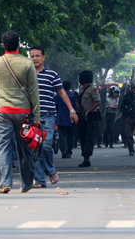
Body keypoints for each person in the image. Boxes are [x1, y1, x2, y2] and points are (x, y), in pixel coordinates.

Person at [0, 30, 40, 193]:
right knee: (25, 148)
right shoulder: (27, 63)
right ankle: (26, 184)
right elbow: (33, 91)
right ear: (18, 44)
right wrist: (37, 116)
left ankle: (5, 182)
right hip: (23, 111)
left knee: (3, 146)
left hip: (2, 110)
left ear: (3, 45)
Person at [29, 45, 77, 188]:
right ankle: (39, 180)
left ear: (43, 57)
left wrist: (72, 111)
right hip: (30, 116)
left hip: (48, 115)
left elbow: (62, 93)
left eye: (37, 56)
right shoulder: (26, 75)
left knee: (46, 145)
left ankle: (50, 171)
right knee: (34, 147)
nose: (35, 58)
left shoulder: (52, 75)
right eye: (32, 56)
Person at [76, 71, 101, 167]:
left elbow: (97, 102)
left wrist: (88, 111)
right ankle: (84, 156)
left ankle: (87, 157)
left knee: (89, 136)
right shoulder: (81, 89)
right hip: (82, 115)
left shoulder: (92, 89)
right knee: (82, 136)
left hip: (91, 116)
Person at [56, 81, 77, 158]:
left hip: (61, 118)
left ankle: (63, 151)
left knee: (62, 136)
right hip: (70, 118)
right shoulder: (72, 95)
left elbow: (56, 107)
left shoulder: (58, 96)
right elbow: (75, 107)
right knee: (70, 136)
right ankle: (69, 151)